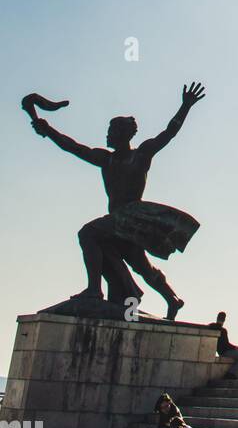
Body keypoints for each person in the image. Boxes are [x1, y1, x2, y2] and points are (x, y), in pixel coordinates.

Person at [27, 84, 206, 319]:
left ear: (123, 134)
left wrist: (185, 106)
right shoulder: (105, 158)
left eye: (111, 131)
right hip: (120, 222)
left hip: (130, 216)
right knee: (139, 264)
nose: (108, 135)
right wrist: (48, 130)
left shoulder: (141, 154)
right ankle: (172, 299)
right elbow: (72, 147)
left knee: (88, 233)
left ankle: (94, 290)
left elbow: (168, 134)